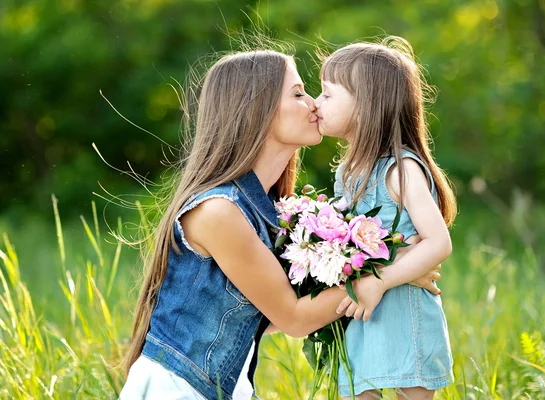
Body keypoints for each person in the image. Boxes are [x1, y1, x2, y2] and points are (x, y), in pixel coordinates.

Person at [118, 49, 442, 400]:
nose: (315, 104)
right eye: (299, 93)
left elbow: (267, 313)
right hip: (179, 390)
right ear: (259, 110)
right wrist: (391, 267)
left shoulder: (266, 209)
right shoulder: (218, 211)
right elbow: (294, 317)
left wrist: (394, 277)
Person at [315, 37, 458, 400]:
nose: (317, 104)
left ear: (366, 105)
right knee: (360, 389)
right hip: (363, 311)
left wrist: (382, 280)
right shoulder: (348, 172)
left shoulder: (400, 169)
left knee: (410, 389)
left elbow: (439, 242)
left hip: (403, 307)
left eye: (327, 94)